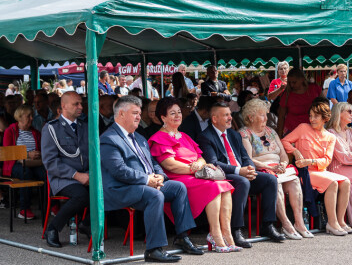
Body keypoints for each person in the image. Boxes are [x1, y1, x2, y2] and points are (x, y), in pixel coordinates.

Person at [100, 95, 200, 262]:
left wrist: (160, 176)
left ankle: (182, 237)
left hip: (144, 185)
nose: (139, 117)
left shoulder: (138, 137)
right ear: (121, 114)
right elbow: (119, 171)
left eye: (140, 113)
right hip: (120, 189)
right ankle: (154, 249)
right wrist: (147, 180)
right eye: (135, 113)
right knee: (155, 195)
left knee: (178, 187)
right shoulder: (109, 139)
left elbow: (153, 162)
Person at [148, 97, 239, 252]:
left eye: (179, 112)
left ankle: (227, 234)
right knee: (214, 186)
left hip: (195, 174)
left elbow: (201, 157)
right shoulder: (159, 138)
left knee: (224, 185)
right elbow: (170, 165)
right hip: (179, 178)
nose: (177, 116)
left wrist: (200, 164)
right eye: (172, 113)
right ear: (163, 117)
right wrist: (195, 169)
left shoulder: (184, 136)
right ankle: (215, 234)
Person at [197, 102, 285, 247]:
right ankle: (236, 229)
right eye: (226, 115)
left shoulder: (233, 134)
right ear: (214, 119)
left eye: (230, 114)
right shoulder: (205, 137)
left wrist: (249, 169)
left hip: (241, 172)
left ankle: (268, 225)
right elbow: (214, 163)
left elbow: (245, 157)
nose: (230, 118)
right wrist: (240, 171)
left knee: (270, 179)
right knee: (242, 182)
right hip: (224, 176)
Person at [239, 99, 312, 239]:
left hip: (278, 169)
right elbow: (248, 159)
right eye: (262, 115)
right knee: (275, 182)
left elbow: (284, 156)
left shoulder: (271, 131)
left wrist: (283, 165)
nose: (267, 118)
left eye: (266, 114)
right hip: (261, 170)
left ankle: (299, 223)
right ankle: (285, 224)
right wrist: (268, 167)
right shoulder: (244, 133)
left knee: (295, 181)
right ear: (251, 117)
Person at [282, 101, 352, 236]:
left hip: (320, 171)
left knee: (346, 181)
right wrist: (295, 151)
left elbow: (327, 160)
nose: (311, 119)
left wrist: (311, 160)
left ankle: (340, 221)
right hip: (306, 172)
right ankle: (332, 223)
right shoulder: (303, 127)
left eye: (316, 116)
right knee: (332, 182)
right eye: (310, 116)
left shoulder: (331, 137)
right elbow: (284, 141)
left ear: (325, 118)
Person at [41, 92, 91, 248]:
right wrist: (77, 176)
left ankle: (86, 224)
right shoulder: (51, 129)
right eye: (76, 104)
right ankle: (53, 228)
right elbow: (50, 162)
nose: (80, 107)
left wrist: (91, 174)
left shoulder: (85, 127)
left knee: (108, 189)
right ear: (63, 106)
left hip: (86, 175)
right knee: (81, 195)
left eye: (81, 103)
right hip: (63, 178)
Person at [3, 104, 46, 220]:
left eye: (32, 115)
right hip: (15, 164)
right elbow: (8, 153)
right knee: (26, 173)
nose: (32, 118)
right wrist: (27, 154)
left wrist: (38, 154)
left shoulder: (35, 132)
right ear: (20, 117)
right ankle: (24, 209)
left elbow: (42, 149)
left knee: (46, 173)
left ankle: (48, 207)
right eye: (29, 116)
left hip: (33, 163)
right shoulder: (10, 131)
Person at [277, 67, 322, 137]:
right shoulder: (287, 94)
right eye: (289, 82)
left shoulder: (313, 88)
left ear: (302, 79)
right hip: (292, 130)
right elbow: (281, 115)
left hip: (313, 129)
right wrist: (279, 135)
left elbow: (325, 103)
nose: (291, 85)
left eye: (294, 82)